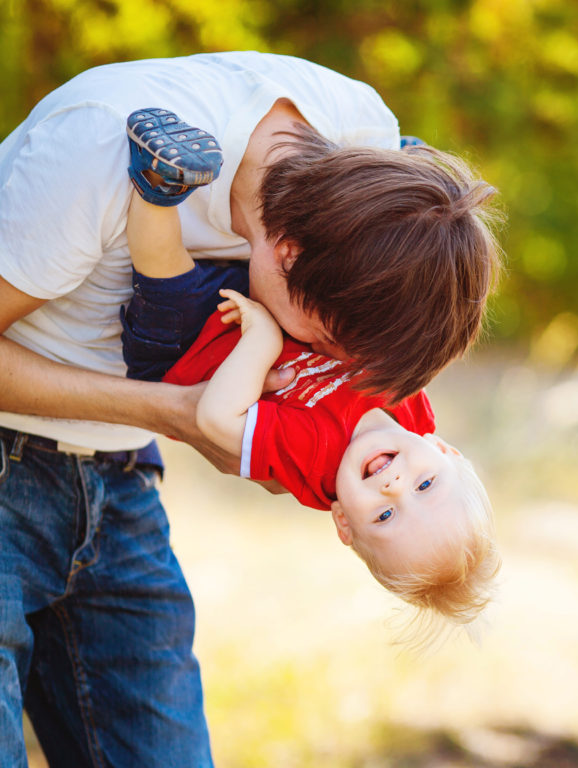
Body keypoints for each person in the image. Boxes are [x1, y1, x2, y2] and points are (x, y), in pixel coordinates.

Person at [0, 52, 500, 767]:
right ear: (290, 256)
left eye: (388, 510)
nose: (395, 484)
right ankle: (158, 192)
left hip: (120, 466)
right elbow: (210, 415)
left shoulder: (368, 144)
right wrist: (172, 408)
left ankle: (158, 201)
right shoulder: (95, 142)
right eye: (331, 342)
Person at [121, 108, 500, 637]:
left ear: (343, 522)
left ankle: (159, 183)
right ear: (446, 452)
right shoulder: (412, 408)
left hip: (194, 344)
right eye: (426, 485)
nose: (393, 486)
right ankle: (403, 191)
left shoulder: (315, 459)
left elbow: (215, 416)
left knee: (169, 280)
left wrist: (261, 340)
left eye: (384, 517)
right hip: (275, 306)